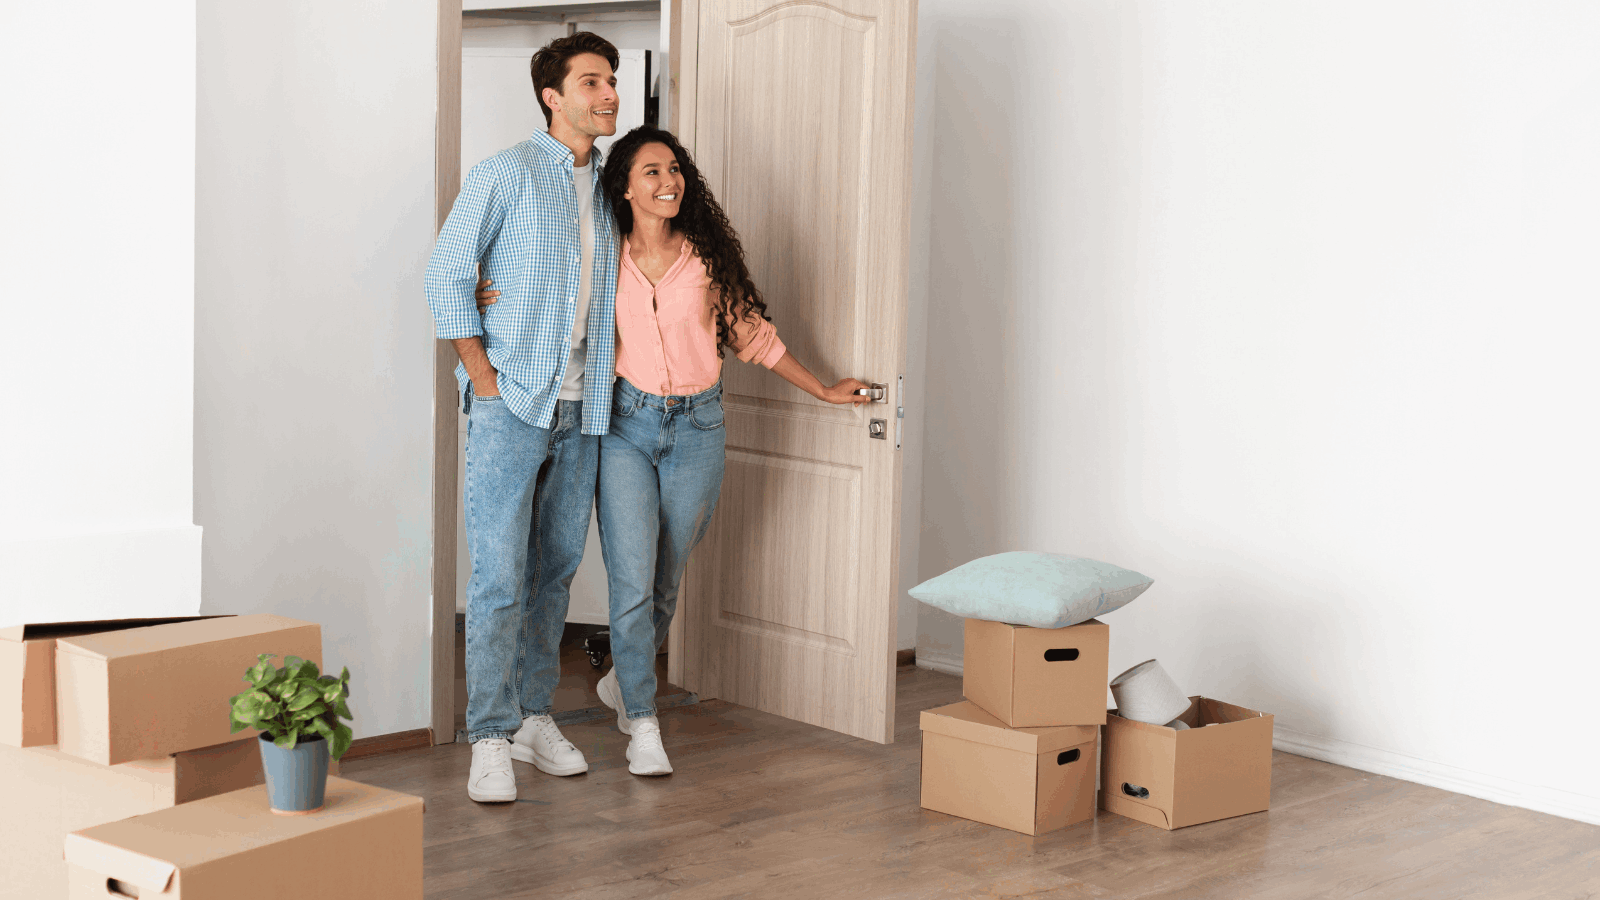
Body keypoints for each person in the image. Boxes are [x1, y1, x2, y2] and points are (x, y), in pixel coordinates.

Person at [475, 126, 870, 775]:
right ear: (625, 187)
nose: (669, 182)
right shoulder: (602, 253)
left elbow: (754, 337)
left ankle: (622, 685)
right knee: (631, 584)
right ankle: (643, 722)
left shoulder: (705, 258)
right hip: (625, 427)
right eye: (653, 172)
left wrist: (824, 390)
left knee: (664, 581)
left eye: (676, 170)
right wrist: (487, 289)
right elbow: (549, 291)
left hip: (698, 429)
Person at [424, 32, 622, 804]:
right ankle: (489, 735)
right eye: (592, 81)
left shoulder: (612, 188)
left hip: (587, 404)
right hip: (514, 404)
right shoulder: (503, 173)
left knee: (555, 573)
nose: (608, 94)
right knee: (501, 575)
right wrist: (483, 375)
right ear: (553, 95)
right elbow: (447, 273)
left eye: (610, 81)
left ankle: (535, 715)